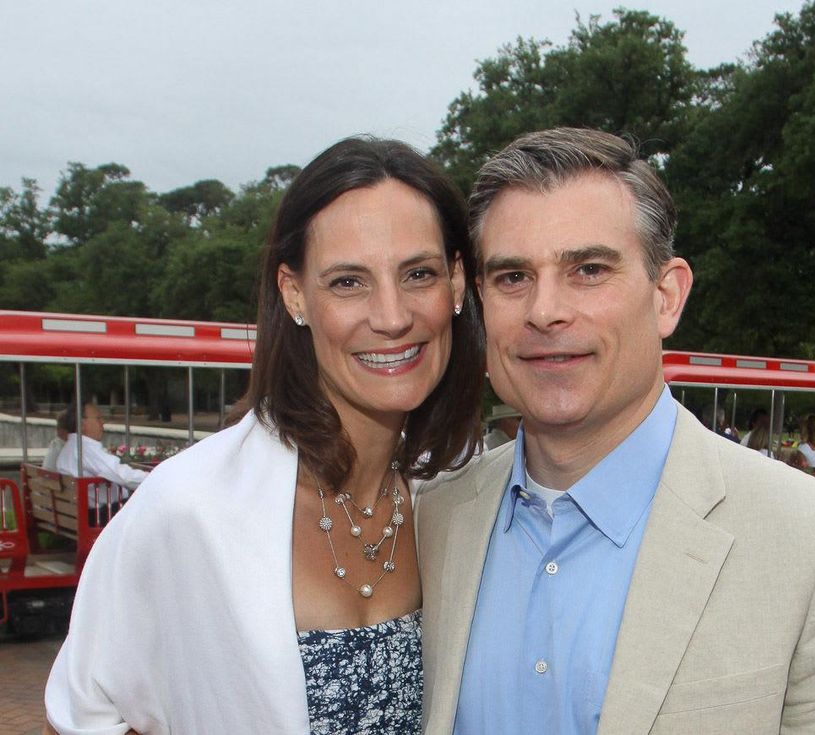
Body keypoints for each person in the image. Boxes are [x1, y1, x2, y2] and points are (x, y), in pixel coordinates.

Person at [416, 127, 815, 733]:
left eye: (589, 269)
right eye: (512, 277)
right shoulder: (434, 519)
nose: (544, 310)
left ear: (666, 296)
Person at [44, 138, 485, 734]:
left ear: (456, 283)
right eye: (348, 282)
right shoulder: (190, 508)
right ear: (294, 293)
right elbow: (80, 715)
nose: (391, 315)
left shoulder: (460, 496)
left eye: (418, 273)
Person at [55, 401, 148, 523]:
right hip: (101, 515)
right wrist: (156, 477)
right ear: (81, 424)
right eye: (98, 418)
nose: (102, 422)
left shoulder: (71, 447)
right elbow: (122, 475)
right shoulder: (85, 449)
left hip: (79, 514)